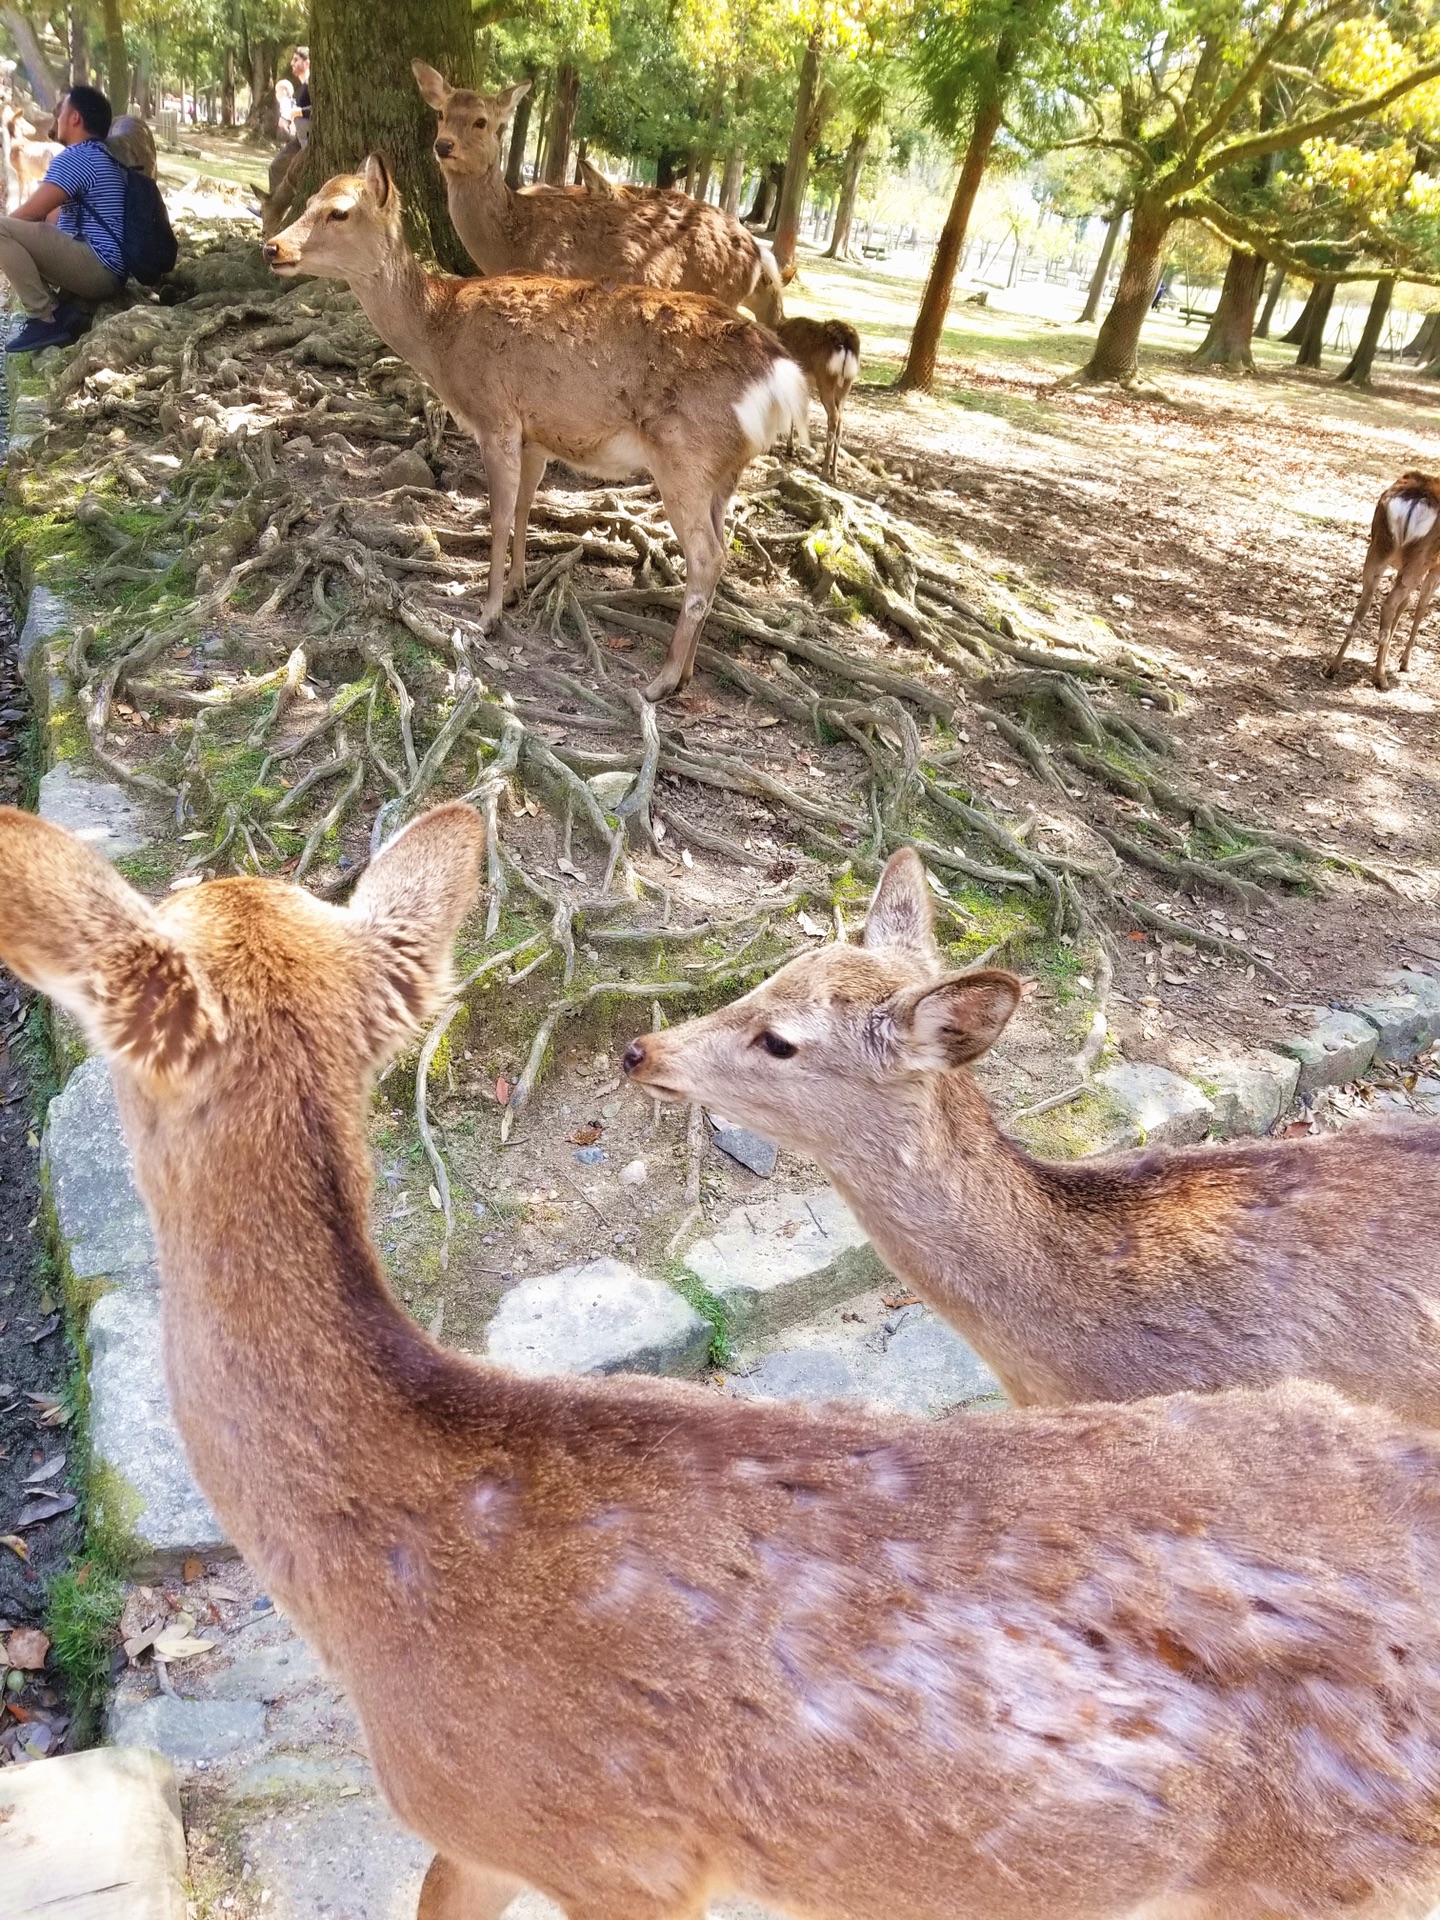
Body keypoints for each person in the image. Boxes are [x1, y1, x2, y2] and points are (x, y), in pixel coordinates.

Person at [0, 83, 125, 353]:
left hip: (97, 267)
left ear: (75, 117)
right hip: (108, 270)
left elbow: (28, 214)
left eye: (61, 111)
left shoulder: (76, 157)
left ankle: (44, 318)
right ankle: (63, 314)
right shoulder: (102, 156)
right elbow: (49, 218)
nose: (57, 118)